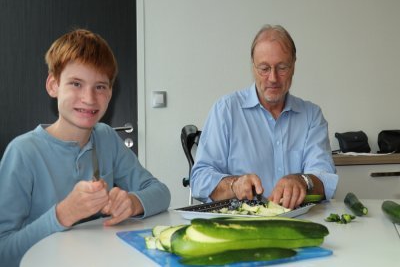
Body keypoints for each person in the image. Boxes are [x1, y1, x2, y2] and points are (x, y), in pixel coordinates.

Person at [0, 29, 171, 266]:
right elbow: (4, 251)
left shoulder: (106, 137)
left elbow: (160, 192)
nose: (89, 98)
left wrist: (132, 203)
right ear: (53, 85)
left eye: (100, 86)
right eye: (76, 84)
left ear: (110, 93)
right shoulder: (22, 152)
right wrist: (62, 215)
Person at [190, 24, 338, 209]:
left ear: (293, 66)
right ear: (253, 67)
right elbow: (199, 179)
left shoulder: (311, 116)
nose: (273, 78)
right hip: (242, 226)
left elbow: (324, 178)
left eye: (282, 67)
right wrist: (234, 185)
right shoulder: (225, 110)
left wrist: (303, 181)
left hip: (300, 222)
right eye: (264, 68)